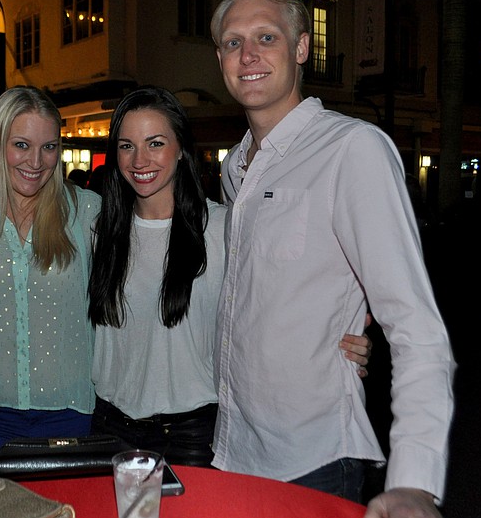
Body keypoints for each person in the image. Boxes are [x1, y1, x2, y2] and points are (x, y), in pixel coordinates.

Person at [209, 0, 455, 517]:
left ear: (301, 50)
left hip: (313, 457)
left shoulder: (352, 150)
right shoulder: (235, 168)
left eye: (266, 38)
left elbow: (415, 325)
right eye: (232, 42)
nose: (247, 54)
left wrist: (415, 479)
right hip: (233, 450)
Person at [88, 85, 372, 468]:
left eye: (155, 143)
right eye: (126, 146)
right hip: (109, 429)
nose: (139, 159)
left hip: (192, 435)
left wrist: (343, 340)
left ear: (181, 148)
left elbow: (277, 307)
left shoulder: (223, 229)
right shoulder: (98, 231)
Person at [0, 86, 99, 473]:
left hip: (67, 409)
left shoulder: (87, 210)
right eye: (22, 145)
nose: (36, 161)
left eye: (49, 147)